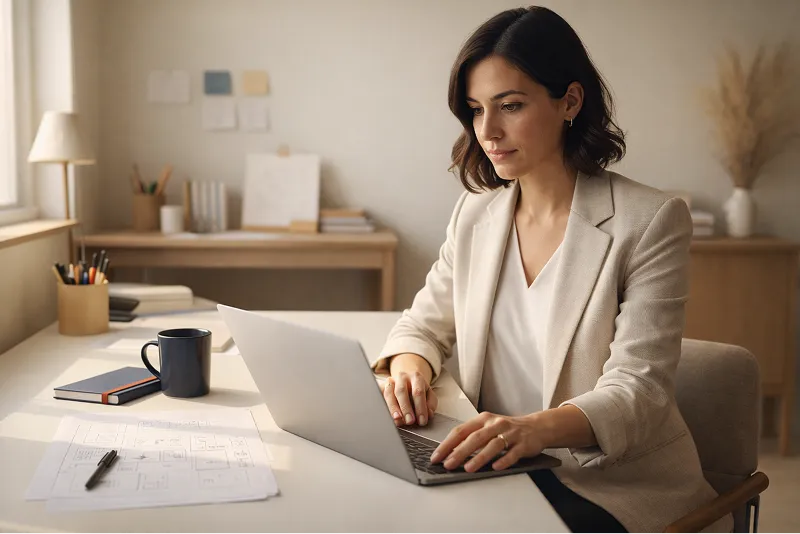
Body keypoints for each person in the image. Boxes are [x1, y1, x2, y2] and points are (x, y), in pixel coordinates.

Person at [370, 6, 732, 534]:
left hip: (605, 479)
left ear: (570, 100)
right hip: (493, 466)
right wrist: (409, 370)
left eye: (509, 105)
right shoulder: (475, 213)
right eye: (475, 110)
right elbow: (423, 325)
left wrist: (532, 431)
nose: (487, 131)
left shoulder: (651, 221)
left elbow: (640, 391)